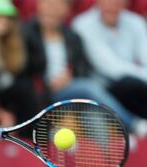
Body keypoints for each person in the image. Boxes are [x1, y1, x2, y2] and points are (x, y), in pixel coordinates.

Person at [21, 0, 147, 136]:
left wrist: (69, 76)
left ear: (67, 9)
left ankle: (106, 155)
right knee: (89, 87)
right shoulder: (25, 33)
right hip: (41, 94)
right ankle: (132, 123)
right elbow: (22, 71)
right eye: (49, 4)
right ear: (39, 5)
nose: (53, 9)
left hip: (71, 91)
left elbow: (82, 68)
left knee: (96, 116)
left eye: (58, 4)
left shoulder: (71, 36)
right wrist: (46, 85)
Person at [72, 0, 147, 120]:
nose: (113, 4)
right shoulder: (83, 24)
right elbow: (112, 69)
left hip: (138, 87)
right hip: (102, 89)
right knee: (129, 84)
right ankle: (135, 126)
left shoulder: (136, 22)